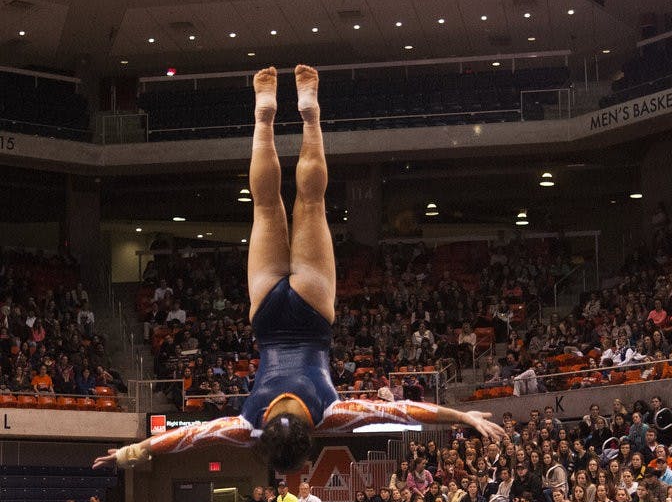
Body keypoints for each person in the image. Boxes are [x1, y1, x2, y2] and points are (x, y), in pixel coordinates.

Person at [94, 66, 504, 475]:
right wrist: (130, 452)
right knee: (265, 205)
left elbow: (398, 411)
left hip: (312, 311)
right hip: (268, 314)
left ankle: (310, 113)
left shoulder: (329, 414)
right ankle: (264, 114)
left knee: (311, 202)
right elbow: (187, 437)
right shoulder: (247, 424)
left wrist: (463, 417)